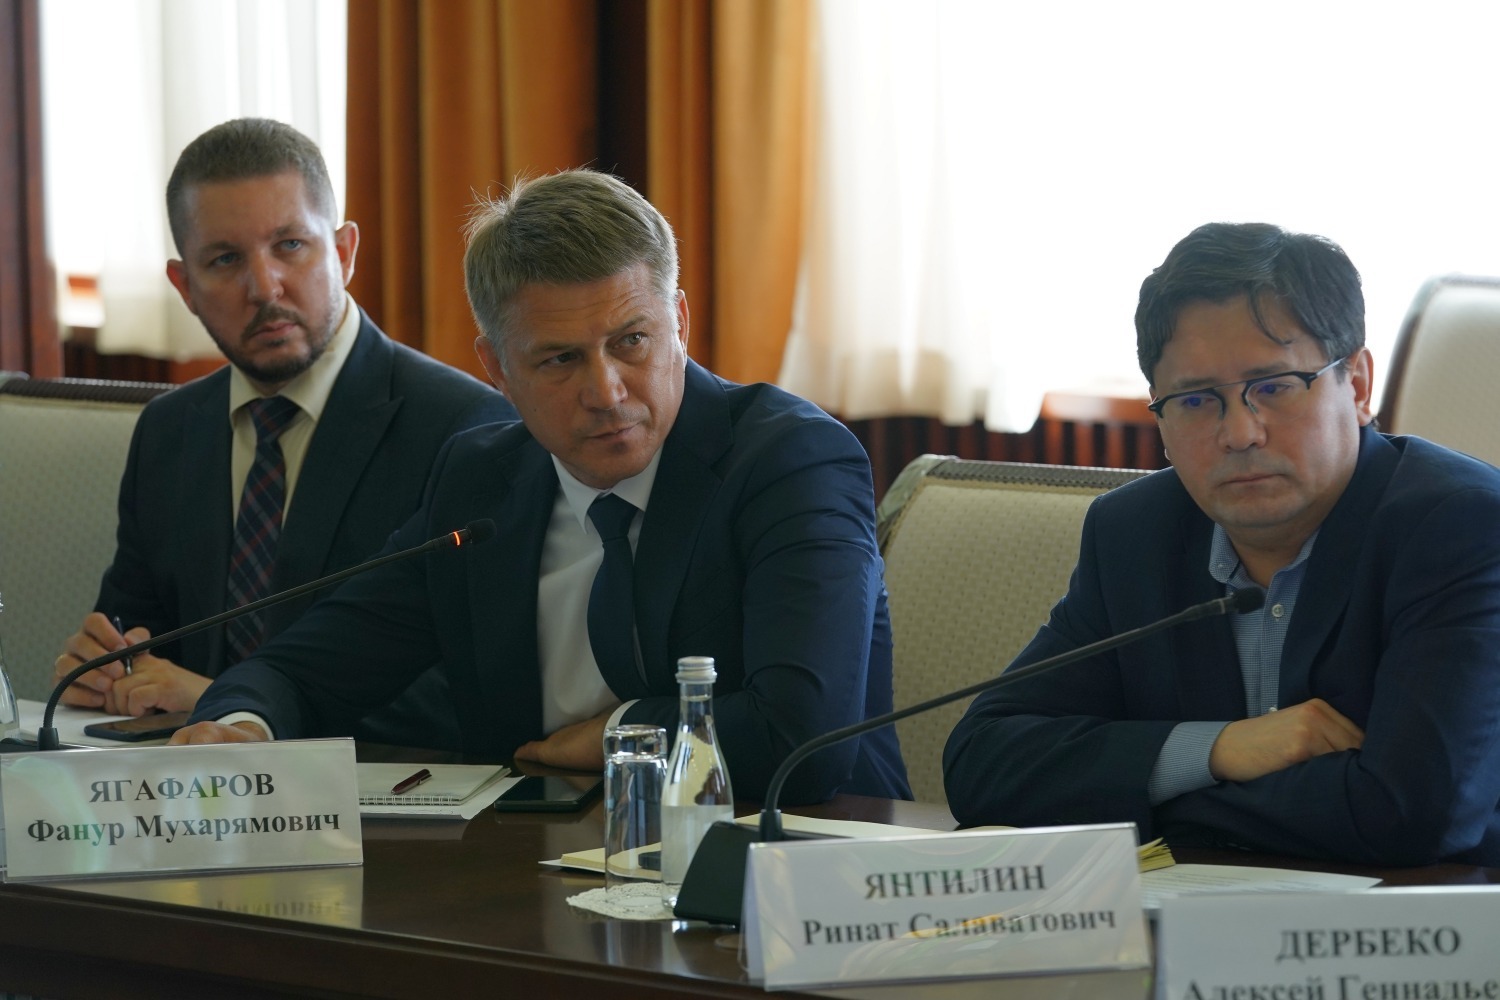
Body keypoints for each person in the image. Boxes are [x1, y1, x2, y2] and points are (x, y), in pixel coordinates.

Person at [171, 168, 911, 805]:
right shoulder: (480, 481)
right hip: (533, 867)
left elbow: (803, 737)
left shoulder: (790, 462)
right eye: (560, 360)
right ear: (497, 368)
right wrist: (241, 729)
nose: (607, 391)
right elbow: (309, 666)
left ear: (679, 321)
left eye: (631, 341)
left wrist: (621, 733)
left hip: (788, 863)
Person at [944, 222, 1500, 866]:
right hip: (1195, 915)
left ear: (1357, 385)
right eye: (1195, 400)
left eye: (1274, 387)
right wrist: (1222, 749)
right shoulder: (1134, 533)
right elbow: (982, 761)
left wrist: (1152, 794)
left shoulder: (1460, 526)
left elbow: (1412, 814)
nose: (1240, 433)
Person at [54, 118, 516, 746]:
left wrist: (229, 700)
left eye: (291, 245)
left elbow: (470, 692)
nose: (264, 287)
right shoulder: (168, 430)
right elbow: (139, 632)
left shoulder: (467, 429)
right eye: (225, 259)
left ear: (344, 252)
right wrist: (107, 667)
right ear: (185, 287)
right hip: (186, 783)